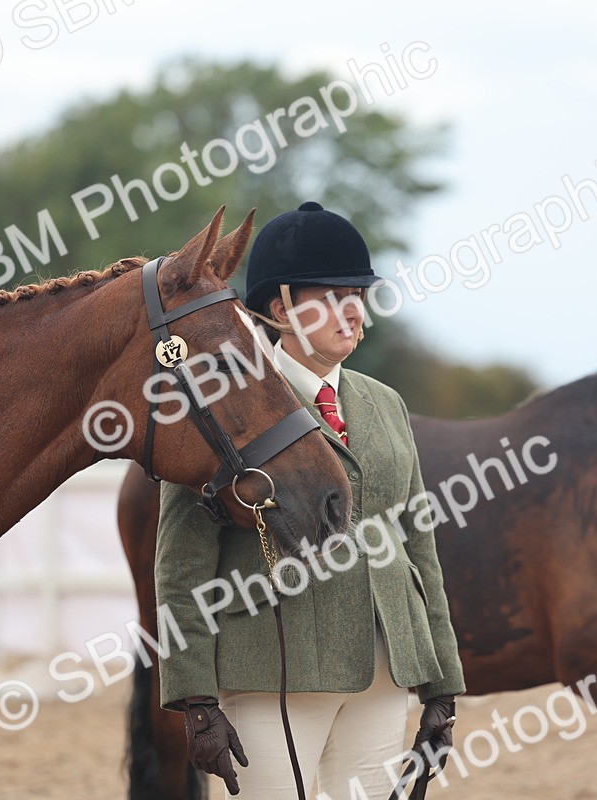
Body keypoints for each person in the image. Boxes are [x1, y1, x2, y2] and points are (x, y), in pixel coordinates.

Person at [154, 201, 464, 799]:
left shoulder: (385, 404)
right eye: (334, 295)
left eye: (359, 295)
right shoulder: (226, 406)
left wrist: (442, 683)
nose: (354, 312)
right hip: (272, 671)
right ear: (282, 307)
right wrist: (194, 698)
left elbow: (418, 546)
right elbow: (180, 565)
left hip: (382, 673)